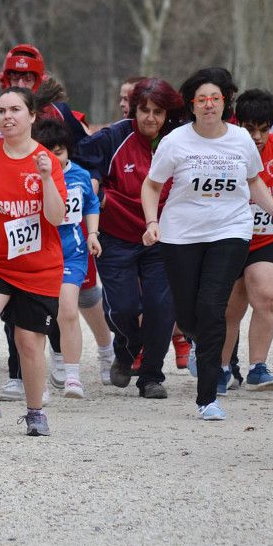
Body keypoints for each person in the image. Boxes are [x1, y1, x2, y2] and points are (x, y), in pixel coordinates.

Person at [143, 68, 273, 420]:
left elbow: (254, 182)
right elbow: (152, 186)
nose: (209, 106)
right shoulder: (176, 141)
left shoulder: (240, 140)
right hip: (180, 235)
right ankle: (192, 334)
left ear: (225, 103)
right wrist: (152, 222)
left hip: (230, 231)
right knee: (190, 314)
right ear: (192, 105)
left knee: (212, 308)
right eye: (201, 100)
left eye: (215, 99)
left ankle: (208, 398)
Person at [0, 88, 67, 436]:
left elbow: (56, 218)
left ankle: (35, 412)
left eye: (16, 110)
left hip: (38, 267)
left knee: (28, 342)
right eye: (2, 111)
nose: (8, 116)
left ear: (32, 116)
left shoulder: (46, 161)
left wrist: (47, 178)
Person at [74, 78, 184, 397]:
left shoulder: (178, 141)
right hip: (117, 236)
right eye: (144, 110)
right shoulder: (113, 137)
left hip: (162, 236)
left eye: (158, 112)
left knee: (160, 307)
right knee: (122, 308)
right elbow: (79, 164)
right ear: (133, 109)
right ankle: (126, 348)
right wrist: (98, 191)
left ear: (168, 114)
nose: (150, 118)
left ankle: (151, 376)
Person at [218, 90, 273, 391]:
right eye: (250, 128)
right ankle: (220, 367)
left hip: (268, 239)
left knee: (269, 296)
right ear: (237, 123)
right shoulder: (223, 151)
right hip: (229, 237)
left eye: (264, 128)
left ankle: (258, 367)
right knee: (231, 308)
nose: (257, 136)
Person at [33, 119, 101, 399]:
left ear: (68, 151)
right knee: (37, 316)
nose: (53, 159)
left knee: (69, 309)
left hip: (72, 252)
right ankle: (40, 379)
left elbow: (92, 204)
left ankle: (73, 376)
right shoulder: (30, 177)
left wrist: (93, 233)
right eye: (47, 153)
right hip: (37, 254)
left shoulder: (81, 176)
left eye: (59, 152)